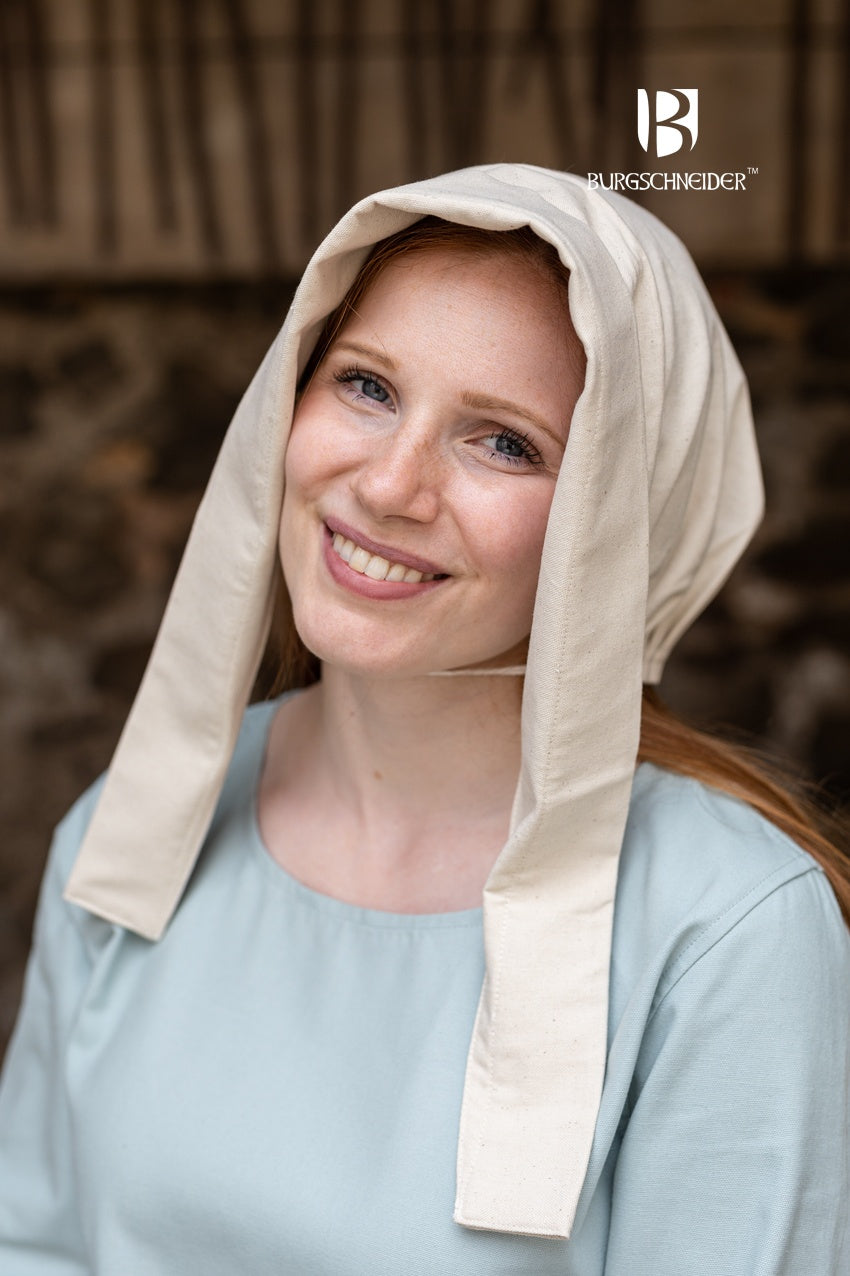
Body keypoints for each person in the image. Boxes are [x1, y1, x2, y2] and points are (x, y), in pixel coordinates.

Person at [1, 164, 848, 1273]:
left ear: (622, 525)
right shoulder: (138, 825)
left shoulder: (727, 932)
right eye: (366, 385)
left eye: (504, 442)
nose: (389, 485)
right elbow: (34, 1242)